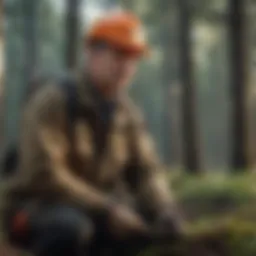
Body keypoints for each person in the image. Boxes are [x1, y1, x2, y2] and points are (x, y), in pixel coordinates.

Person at [2, 11, 183, 256]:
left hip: (92, 208)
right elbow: (44, 174)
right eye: (119, 54)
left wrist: (164, 209)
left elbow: (145, 170)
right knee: (70, 230)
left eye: (133, 58)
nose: (126, 66)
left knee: (141, 231)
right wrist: (107, 209)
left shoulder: (127, 114)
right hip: (38, 207)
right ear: (93, 53)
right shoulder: (53, 101)